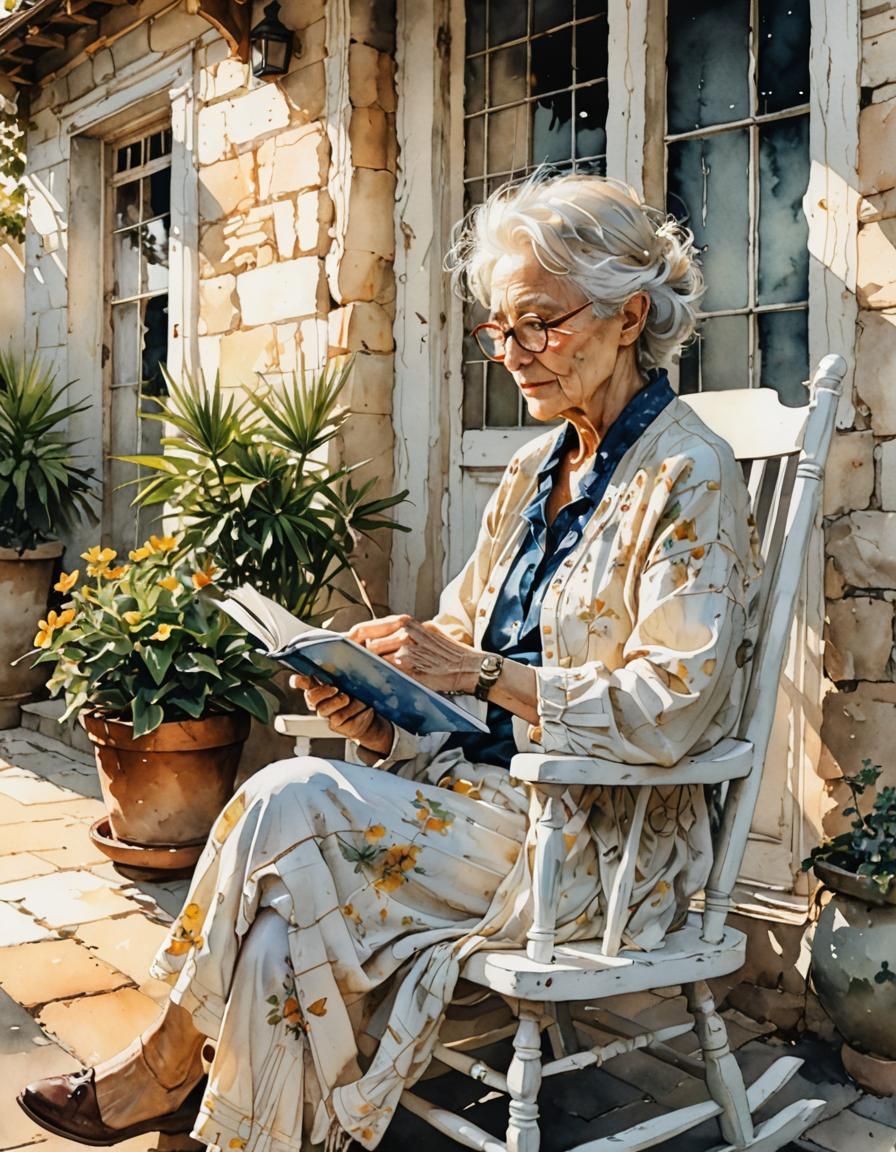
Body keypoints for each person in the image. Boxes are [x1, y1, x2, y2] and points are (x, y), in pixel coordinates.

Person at [18, 171, 761, 1152]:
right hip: (472, 806)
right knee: (281, 937)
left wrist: (481, 676)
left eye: (537, 324)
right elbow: (451, 656)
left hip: (592, 836)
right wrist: (379, 702)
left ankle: (165, 1067)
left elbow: (670, 706)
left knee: (287, 801)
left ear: (628, 316)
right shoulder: (536, 472)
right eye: (498, 330)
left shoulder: (687, 471)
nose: (512, 355)